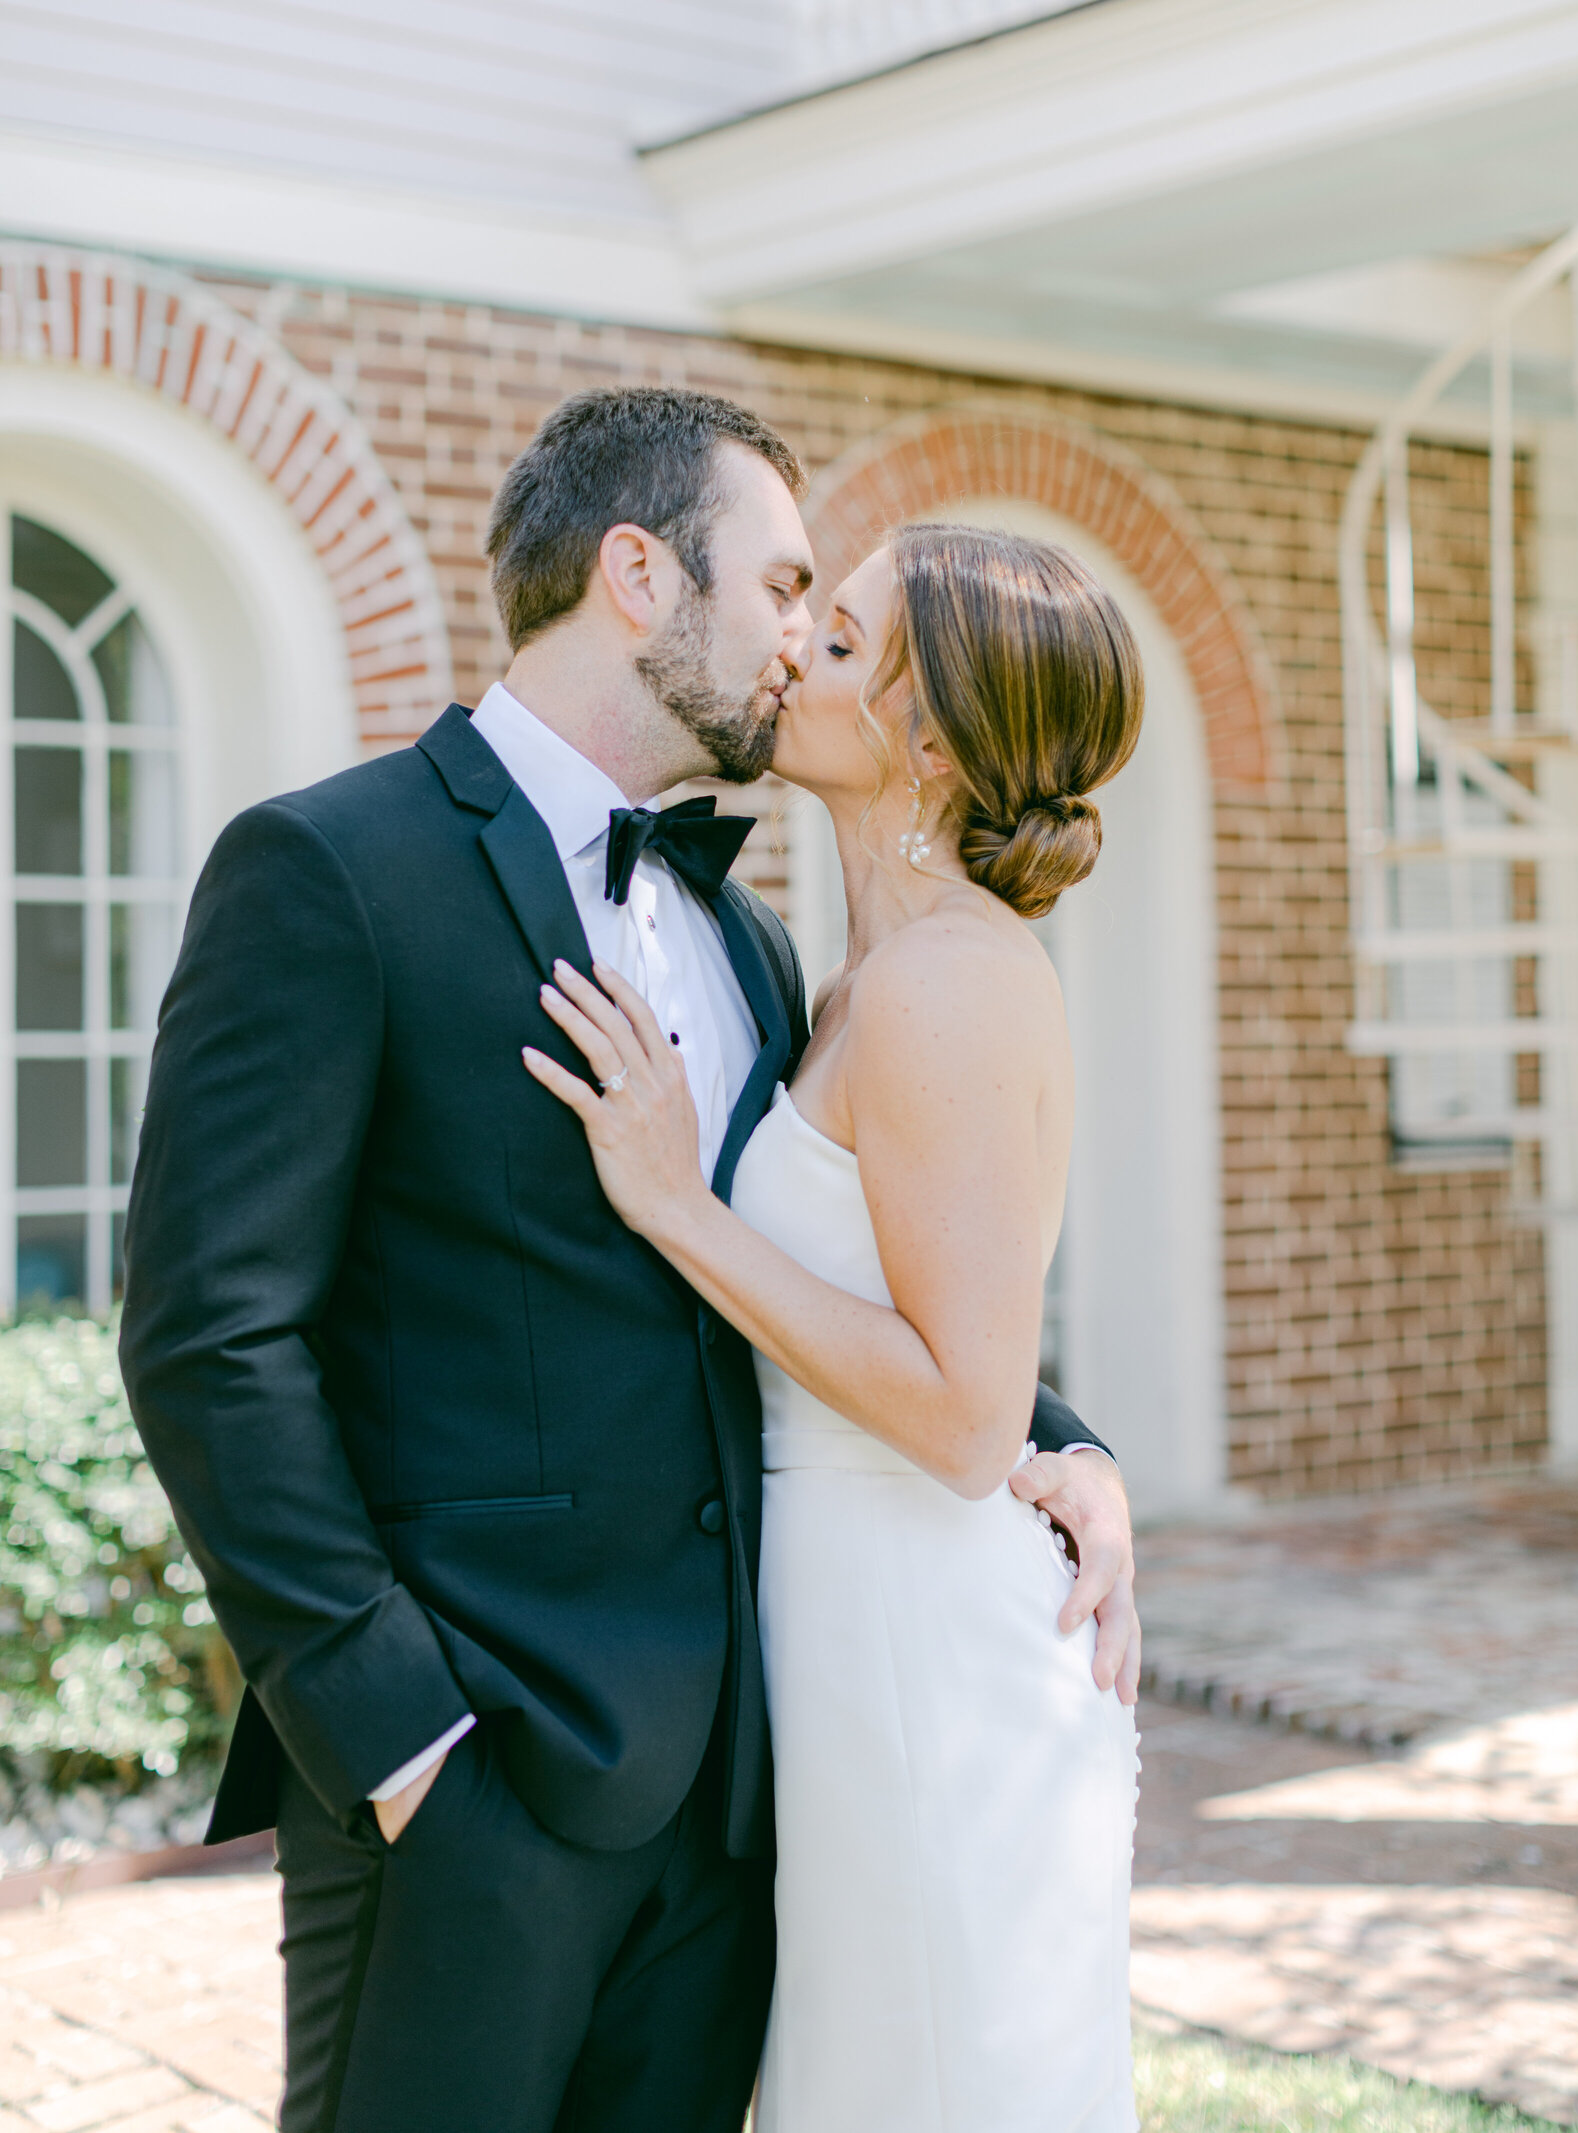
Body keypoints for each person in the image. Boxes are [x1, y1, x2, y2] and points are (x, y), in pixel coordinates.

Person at [119, 388, 1138, 2133]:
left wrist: (1064, 1441)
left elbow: (829, 1276)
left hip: (747, 1801)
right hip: (471, 1797)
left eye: (840, 616)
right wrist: (399, 1742)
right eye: (785, 587)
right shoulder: (331, 870)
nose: (805, 641)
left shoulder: (754, 949)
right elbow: (213, 1336)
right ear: (639, 573)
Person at [525, 519, 1145, 2132]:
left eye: (844, 638)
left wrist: (679, 1206)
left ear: (929, 740)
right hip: (848, 1631)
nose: (793, 647)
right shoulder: (860, 975)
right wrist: (1081, 1456)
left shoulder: (945, 981)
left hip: (926, 1667)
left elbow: (955, 1413)